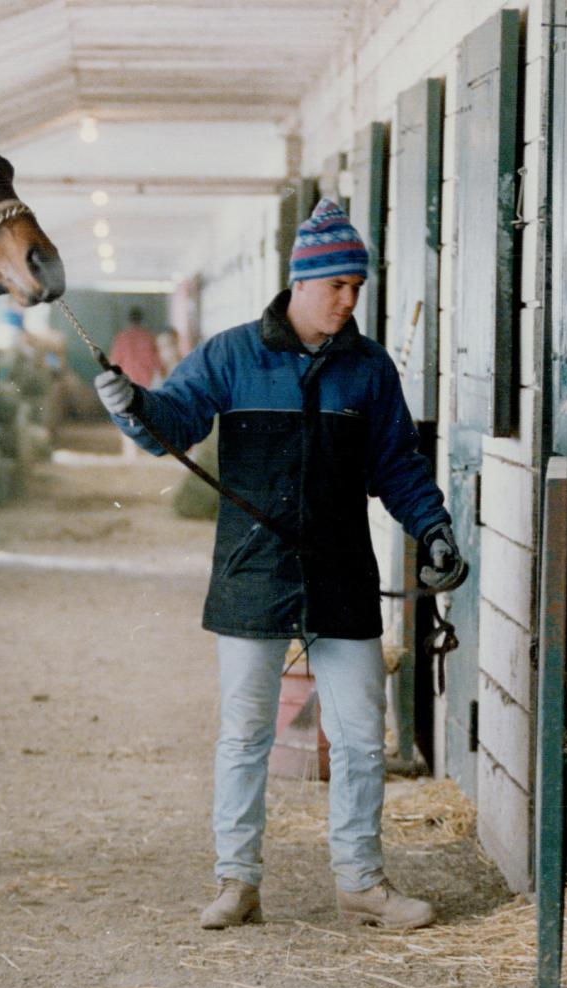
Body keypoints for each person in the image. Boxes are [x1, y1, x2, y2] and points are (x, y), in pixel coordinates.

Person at [93, 199, 466, 931]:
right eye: (339, 287)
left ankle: (360, 881)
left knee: (360, 735)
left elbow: (398, 466)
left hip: (340, 574)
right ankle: (238, 882)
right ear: (302, 282)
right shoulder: (232, 355)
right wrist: (129, 402)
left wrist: (436, 528)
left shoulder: (368, 369)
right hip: (252, 571)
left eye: (358, 288)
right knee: (244, 734)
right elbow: (170, 423)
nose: (350, 300)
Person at [108, 308, 167, 457]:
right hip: (145, 382)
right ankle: (146, 447)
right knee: (144, 415)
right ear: (141, 319)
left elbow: (113, 362)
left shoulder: (122, 337)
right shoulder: (148, 337)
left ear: (129, 320)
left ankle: (130, 451)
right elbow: (158, 362)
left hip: (126, 381)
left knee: (126, 414)